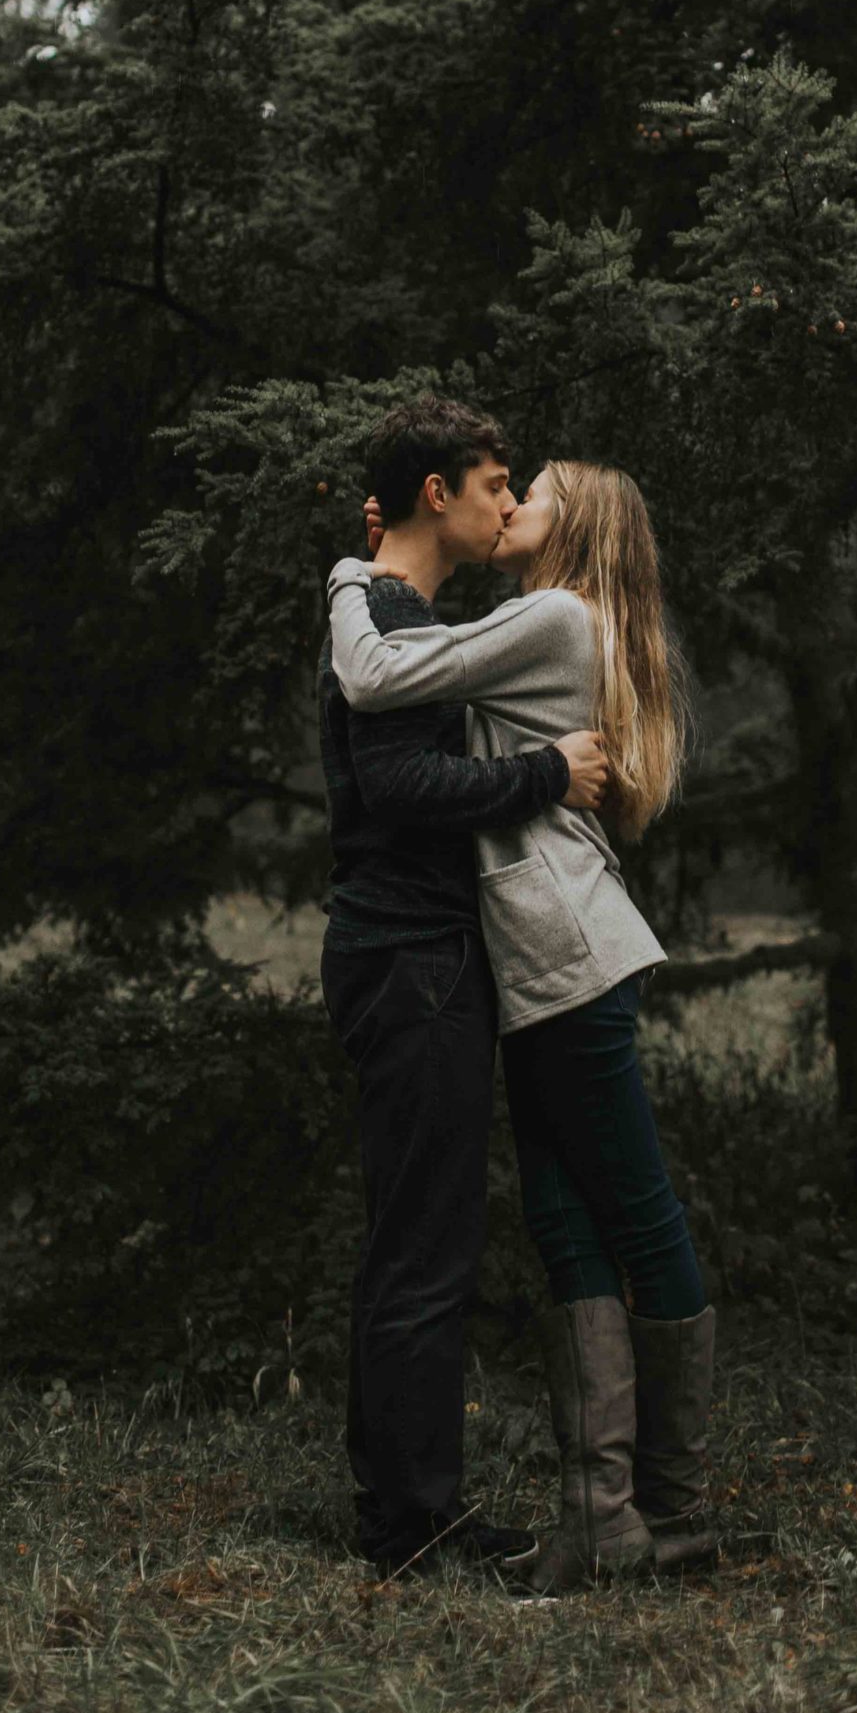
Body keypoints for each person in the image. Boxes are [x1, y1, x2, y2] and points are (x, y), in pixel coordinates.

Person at [327, 455, 717, 1595]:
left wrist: (349, 576)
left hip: (569, 956)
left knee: (635, 1212)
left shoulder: (553, 613)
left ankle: (673, 1508)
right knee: (565, 1218)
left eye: (529, 490)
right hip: (547, 961)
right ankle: (603, 1519)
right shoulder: (559, 618)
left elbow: (384, 668)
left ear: (571, 524)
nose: (511, 505)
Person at [317, 397, 613, 1582]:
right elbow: (397, 787)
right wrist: (547, 772)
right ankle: (412, 1524)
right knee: (424, 1245)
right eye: (494, 483)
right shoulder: (386, 610)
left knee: (415, 1234)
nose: (506, 504)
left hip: (411, 953)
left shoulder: (395, 611)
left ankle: (400, 1504)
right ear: (438, 493)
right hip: (412, 956)